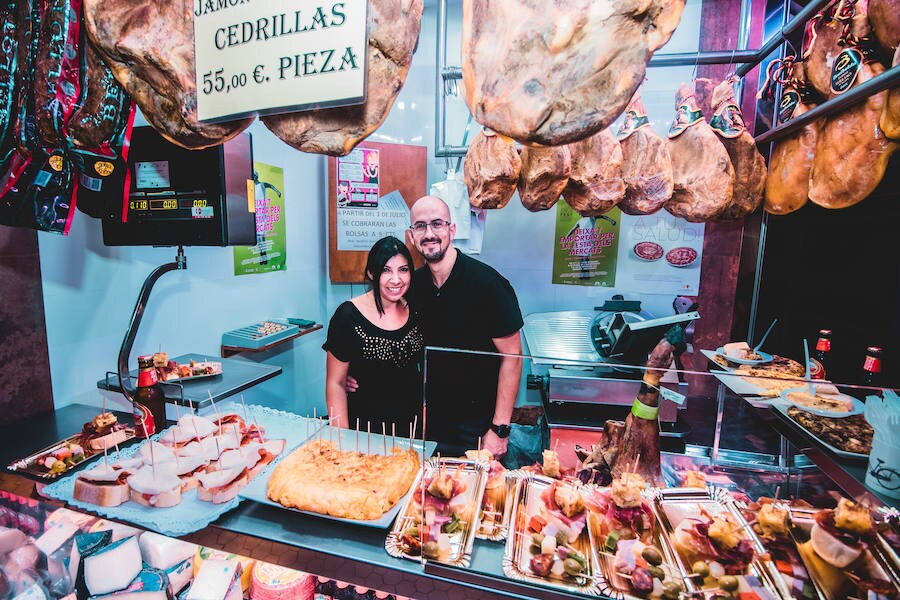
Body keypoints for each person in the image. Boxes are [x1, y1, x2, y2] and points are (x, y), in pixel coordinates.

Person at [409, 196, 523, 457]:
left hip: (477, 427)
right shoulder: (412, 286)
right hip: (425, 421)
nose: (429, 234)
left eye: (437, 224)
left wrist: (500, 429)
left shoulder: (489, 285)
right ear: (412, 235)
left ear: (452, 229)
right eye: (420, 226)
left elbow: (513, 359)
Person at [323, 236, 424, 435]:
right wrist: (343, 441)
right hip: (367, 428)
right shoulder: (348, 316)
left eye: (403, 270)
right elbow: (335, 383)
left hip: (412, 427)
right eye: (386, 270)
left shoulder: (416, 308)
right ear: (371, 273)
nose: (396, 279)